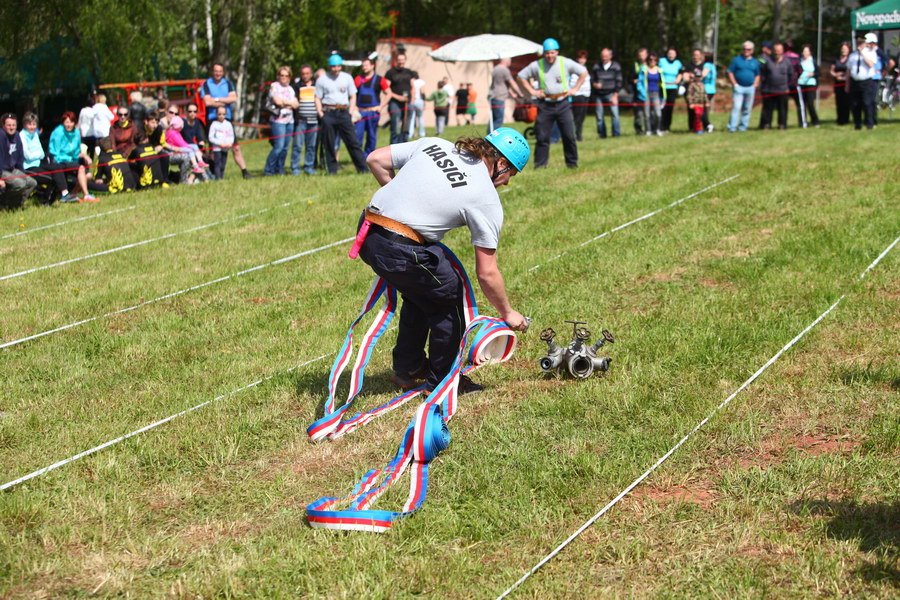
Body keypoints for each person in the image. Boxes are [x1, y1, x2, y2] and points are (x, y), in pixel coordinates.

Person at [358, 127, 531, 394]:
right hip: (400, 249)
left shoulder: (435, 144)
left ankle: (409, 367)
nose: (507, 182)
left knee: (421, 292)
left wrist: (403, 201)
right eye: (511, 174)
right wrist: (508, 313)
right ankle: (443, 382)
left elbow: (375, 159)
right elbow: (487, 272)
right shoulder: (485, 197)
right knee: (450, 299)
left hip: (367, 232)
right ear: (501, 164)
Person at [517, 38, 587, 168]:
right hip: (545, 104)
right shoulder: (537, 65)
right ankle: (540, 165)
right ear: (544, 53)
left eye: (552, 52)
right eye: (547, 53)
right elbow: (521, 76)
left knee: (569, 135)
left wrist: (575, 89)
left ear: (557, 52)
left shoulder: (565, 62)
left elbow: (583, 72)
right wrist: (533, 91)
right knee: (542, 137)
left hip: (563, 103)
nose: (550, 55)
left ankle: (572, 164)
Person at [315, 54, 368, 175]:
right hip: (328, 112)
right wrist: (320, 113)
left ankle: (363, 169)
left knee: (352, 141)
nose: (336, 69)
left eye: (338, 66)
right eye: (333, 66)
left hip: (344, 112)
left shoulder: (347, 78)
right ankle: (331, 170)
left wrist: (351, 111)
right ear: (329, 66)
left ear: (341, 66)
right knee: (329, 143)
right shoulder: (322, 80)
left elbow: (353, 95)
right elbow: (317, 97)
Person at [202, 62, 252, 178]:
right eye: (216, 71)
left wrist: (216, 100)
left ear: (223, 72)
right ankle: (216, 174)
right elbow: (207, 102)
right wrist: (225, 101)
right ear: (212, 72)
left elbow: (233, 98)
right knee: (215, 150)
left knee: (235, 147)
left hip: (227, 119)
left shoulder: (228, 83)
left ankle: (244, 172)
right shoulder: (207, 84)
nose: (218, 73)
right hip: (212, 119)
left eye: (220, 71)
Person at [48, 111, 91, 202]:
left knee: (89, 175)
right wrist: (68, 159)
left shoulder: (76, 133)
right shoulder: (58, 133)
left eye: (71, 122)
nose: (69, 125)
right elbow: (54, 153)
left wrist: (84, 156)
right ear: (63, 123)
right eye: (67, 122)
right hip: (59, 161)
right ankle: (86, 195)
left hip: (72, 161)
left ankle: (73, 193)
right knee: (81, 168)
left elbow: (76, 153)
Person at [264, 65, 299, 176]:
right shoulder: (275, 86)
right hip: (278, 121)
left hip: (290, 121)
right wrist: (289, 103)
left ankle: (280, 169)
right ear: (278, 76)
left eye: (286, 75)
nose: (284, 77)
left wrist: (285, 103)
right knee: (278, 147)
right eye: (282, 75)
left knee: (285, 148)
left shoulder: (290, 89)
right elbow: (277, 102)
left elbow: (296, 104)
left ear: (289, 77)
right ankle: (268, 170)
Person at [0, 113, 37, 208]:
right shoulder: (1, 136)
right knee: (20, 184)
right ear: (3, 125)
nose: (11, 127)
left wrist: (22, 172)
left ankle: (16, 205)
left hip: (12, 169)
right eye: (9, 125)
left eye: (14, 125)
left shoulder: (16, 135)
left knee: (32, 183)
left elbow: (20, 156)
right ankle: (3, 203)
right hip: (2, 171)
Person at [354, 58, 389, 157]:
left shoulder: (380, 79)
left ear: (372, 66)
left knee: (371, 136)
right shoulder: (357, 79)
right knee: (357, 136)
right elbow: (352, 94)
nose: (364, 67)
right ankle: (359, 158)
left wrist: (381, 106)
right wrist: (353, 107)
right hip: (360, 113)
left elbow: (389, 93)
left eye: (366, 65)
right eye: (363, 65)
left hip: (373, 113)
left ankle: (369, 157)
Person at [291, 64, 320, 175]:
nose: (305, 76)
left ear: (311, 74)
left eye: (307, 73)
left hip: (314, 121)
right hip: (301, 121)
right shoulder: (296, 86)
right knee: (297, 146)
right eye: (303, 74)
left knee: (311, 146)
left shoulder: (317, 86)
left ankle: (309, 167)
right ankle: (295, 168)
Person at [727, 41, 761, 133]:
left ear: (752, 50)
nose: (746, 51)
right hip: (738, 88)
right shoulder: (736, 60)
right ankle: (732, 127)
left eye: (748, 49)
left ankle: (743, 127)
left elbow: (758, 74)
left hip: (750, 88)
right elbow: (730, 72)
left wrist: (755, 84)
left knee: (747, 109)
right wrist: (734, 84)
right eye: (745, 49)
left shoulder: (755, 62)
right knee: (736, 108)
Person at [591, 48, 623, 139]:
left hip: (612, 93)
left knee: (615, 115)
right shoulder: (596, 66)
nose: (604, 58)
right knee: (599, 116)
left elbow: (619, 81)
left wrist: (615, 95)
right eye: (602, 56)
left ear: (610, 56)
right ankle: (602, 135)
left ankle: (616, 134)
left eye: (605, 56)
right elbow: (592, 79)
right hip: (599, 95)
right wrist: (595, 85)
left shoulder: (616, 66)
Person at [759, 43, 792, 130]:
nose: (777, 52)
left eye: (779, 50)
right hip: (769, 89)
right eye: (775, 50)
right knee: (767, 109)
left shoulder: (787, 61)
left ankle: (782, 124)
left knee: (783, 109)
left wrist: (787, 86)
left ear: (782, 51)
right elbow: (760, 63)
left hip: (783, 90)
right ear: (772, 51)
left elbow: (791, 75)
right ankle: (766, 124)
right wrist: (763, 55)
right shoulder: (766, 60)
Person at [847, 36, 877, 130]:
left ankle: (869, 123)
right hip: (855, 82)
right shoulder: (852, 55)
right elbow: (848, 70)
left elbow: (871, 64)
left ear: (865, 43)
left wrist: (862, 54)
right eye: (858, 43)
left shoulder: (870, 53)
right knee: (855, 104)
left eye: (861, 43)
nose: (859, 45)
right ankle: (857, 124)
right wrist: (847, 84)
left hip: (866, 81)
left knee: (867, 103)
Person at [384, 53, 414, 143]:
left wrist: (412, 101)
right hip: (395, 102)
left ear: (405, 60)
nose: (401, 62)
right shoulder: (390, 72)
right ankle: (394, 146)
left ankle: (404, 143)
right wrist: (398, 97)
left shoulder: (409, 72)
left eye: (402, 59)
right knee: (395, 125)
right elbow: (386, 89)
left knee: (406, 126)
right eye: (399, 60)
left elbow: (413, 87)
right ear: (396, 61)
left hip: (408, 102)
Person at [165, 116, 206, 183]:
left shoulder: (176, 132)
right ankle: (195, 166)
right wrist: (189, 148)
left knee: (194, 146)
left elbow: (183, 142)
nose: (182, 128)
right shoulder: (173, 133)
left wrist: (190, 147)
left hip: (180, 147)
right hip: (175, 150)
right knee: (190, 150)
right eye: (181, 126)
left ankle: (200, 161)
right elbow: (180, 143)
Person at [488, 57, 521, 133]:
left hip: (493, 96)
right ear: (506, 61)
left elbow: (504, 83)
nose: (510, 63)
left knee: (493, 119)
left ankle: (489, 135)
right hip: (499, 97)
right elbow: (512, 82)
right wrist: (520, 93)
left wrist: (512, 94)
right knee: (499, 119)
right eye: (510, 61)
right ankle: (492, 136)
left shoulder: (495, 68)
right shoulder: (504, 70)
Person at [682, 49, 711, 132]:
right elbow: (685, 78)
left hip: (701, 92)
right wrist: (692, 77)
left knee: (702, 112)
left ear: (701, 56)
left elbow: (703, 75)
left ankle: (703, 127)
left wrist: (692, 76)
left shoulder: (704, 65)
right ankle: (692, 128)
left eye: (697, 55)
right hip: (691, 92)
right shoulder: (688, 65)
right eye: (694, 55)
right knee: (691, 111)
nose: (695, 57)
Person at [659, 47, 683, 134]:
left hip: (673, 88)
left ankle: (667, 127)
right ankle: (660, 127)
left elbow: (681, 72)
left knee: (670, 108)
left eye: (673, 54)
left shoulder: (678, 63)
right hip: (663, 88)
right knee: (662, 108)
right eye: (669, 53)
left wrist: (678, 79)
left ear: (676, 55)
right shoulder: (661, 61)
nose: (671, 55)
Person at [208, 106, 236, 180]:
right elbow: (211, 137)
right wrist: (220, 144)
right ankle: (217, 178)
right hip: (217, 148)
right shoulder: (214, 124)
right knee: (218, 163)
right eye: (219, 114)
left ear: (226, 114)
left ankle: (221, 177)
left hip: (226, 148)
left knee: (223, 164)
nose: (221, 116)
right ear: (216, 114)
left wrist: (230, 143)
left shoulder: (228, 124)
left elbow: (231, 135)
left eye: (223, 114)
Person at [569, 50, 592, 141]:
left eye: (584, 58)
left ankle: (579, 134)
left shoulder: (586, 68)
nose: (582, 60)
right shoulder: (574, 69)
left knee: (582, 117)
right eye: (580, 58)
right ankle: (576, 135)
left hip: (586, 95)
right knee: (577, 117)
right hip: (578, 95)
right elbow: (573, 82)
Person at [642, 53, 665, 136]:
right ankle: (648, 130)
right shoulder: (644, 70)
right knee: (647, 114)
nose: (652, 61)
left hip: (656, 93)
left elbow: (662, 84)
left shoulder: (660, 70)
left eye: (654, 60)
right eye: (650, 59)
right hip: (646, 93)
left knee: (658, 113)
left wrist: (664, 97)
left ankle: (657, 129)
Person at [797, 44, 820, 127]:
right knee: (801, 104)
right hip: (801, 84)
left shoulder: (813, 61)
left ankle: (815, 121)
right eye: (804, 51)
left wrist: (813, 74)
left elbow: (818, 72)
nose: (805, 53)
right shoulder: (799, 61)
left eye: (807, 51)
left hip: (811, 84)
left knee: (810, 103)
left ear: (810, 52)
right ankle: (803, 122)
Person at [830, 42, 852, 125]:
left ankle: (846, 119)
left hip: (847, 83)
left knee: (847, 101)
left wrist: (845, 77)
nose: (843, 50)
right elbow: (832, 70)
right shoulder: (836, 60)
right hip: (838, 83)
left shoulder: (850, 59)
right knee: (839, 101)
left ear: (848, 50)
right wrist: (836, 75)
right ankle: (839, 119)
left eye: (845, 49)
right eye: (842, 49)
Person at [631, 48, 649, 135]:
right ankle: (639, 130)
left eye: (643, 55)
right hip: (637, 93)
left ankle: (649, 129)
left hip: (649, 92)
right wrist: (633, 81)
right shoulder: (635, 65)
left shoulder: (651, 65)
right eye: (640, 55)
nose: (642, 57)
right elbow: (629, 78)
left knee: (649, 112)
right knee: (638, 113)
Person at [408, 72, 427, 139]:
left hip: (412, 100)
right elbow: (422, 92)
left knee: (411, 118)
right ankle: (422, 133)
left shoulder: (411, 81)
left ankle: (410, 133)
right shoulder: (421, 82)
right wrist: (424, 101)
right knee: (420, 117)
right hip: (419, 100)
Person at [702, 52, 717, 132]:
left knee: (702, 109)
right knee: (704, 108)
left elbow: (703, 75)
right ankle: (706, 125)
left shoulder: (707, 65)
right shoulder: (712, 65)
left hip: (706, 89)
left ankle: (708, 125)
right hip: (711, 89)